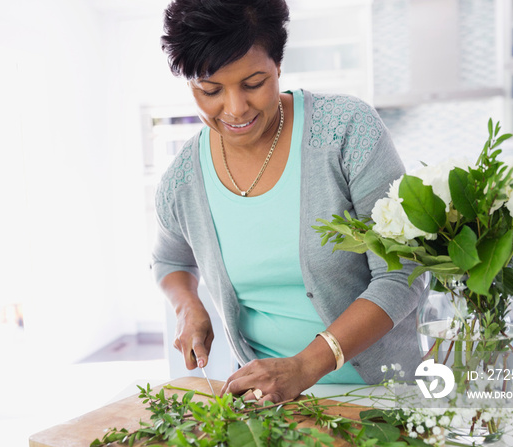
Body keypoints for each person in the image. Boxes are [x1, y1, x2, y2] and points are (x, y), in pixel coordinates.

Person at [152, 0, 424, 405]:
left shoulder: (347, 132)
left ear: (277, 65)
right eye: (210, 90)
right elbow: (170, 261)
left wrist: (307, 365)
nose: (235, 108)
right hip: (271, 407)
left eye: (253, 83)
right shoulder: (182, 181)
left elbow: (403, 273)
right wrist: (188, 307)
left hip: (383, 395)